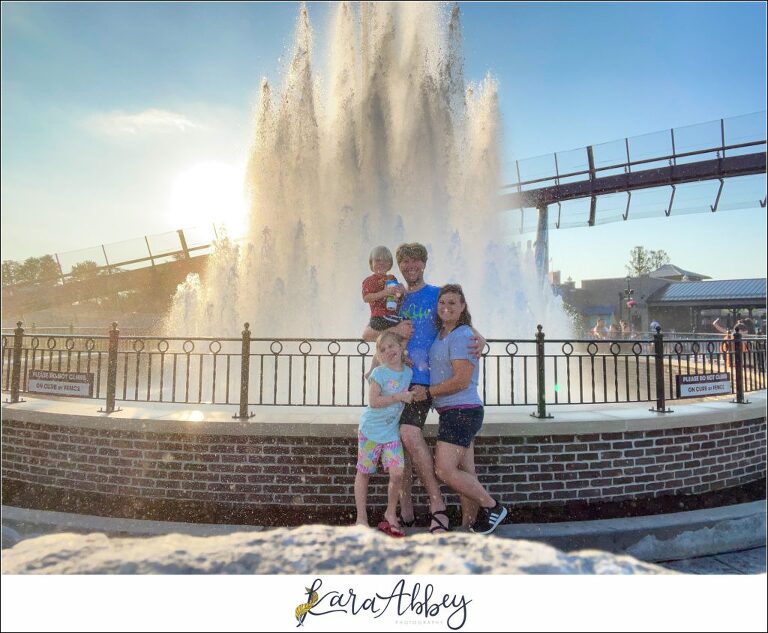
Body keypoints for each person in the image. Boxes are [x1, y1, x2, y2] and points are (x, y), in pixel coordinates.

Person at [361, 242, 485, 534]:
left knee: (409, 432)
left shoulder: (435, 295)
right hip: (395, 380)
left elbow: (464, 323)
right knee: (398, 440)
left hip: (422, 382)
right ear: (400, 266)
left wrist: (482, 339)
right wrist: (395, 331)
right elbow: (367, 333)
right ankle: (406, 508)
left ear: (424, 264)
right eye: (405, 262)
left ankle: (437, 504)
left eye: (416, 262)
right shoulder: (395, 295)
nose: (411, 267)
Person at [429, 284, 508, 534]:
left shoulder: (462, 334)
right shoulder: (444, 332)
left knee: (444, 469)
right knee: (466, 472)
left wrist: (428, 393)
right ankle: (470, 524)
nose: (446, 307)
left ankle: (493, 507)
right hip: (454, 411)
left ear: (463, 307)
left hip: (461, 410)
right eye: (443, 302)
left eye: (453, 303)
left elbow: (462, 380)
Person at [354, 331, 413, 537]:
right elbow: (374, 401)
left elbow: (411, 394)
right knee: (364, 471)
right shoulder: (378, 373)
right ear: (379, 355)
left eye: (392, 346)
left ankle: (390, 513)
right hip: (370, 431)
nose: (389, 351)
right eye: (383, 349)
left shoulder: (408, 373)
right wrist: (399, 397)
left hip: (391, 433)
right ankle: (361, 517)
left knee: (397, 473)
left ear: (400, 347)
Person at [362, 246, 405, 332]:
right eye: (378, 260)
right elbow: (366, 298)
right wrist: (384, 292)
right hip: (379, 317)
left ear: (390, 264)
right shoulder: (369, 280)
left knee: (409, 322)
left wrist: (400, 292)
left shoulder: (392, 278)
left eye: (385, 260)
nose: (381, 263)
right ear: (371, 263)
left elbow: (397, 297)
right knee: (404, 323)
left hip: (391, 315)